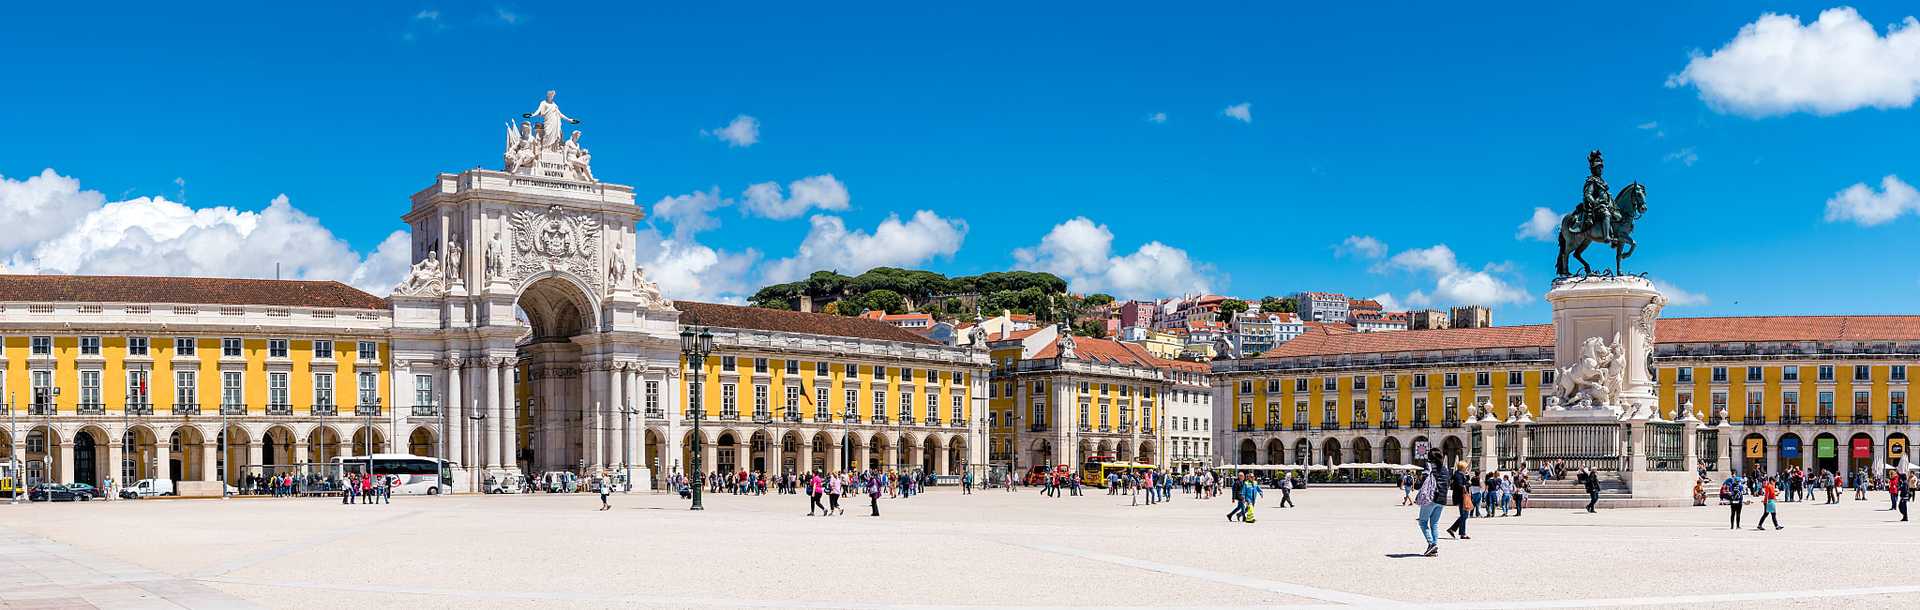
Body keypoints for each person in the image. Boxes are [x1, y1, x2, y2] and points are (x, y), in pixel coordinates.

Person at [1415, 449, 1452, 557]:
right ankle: (1434, 547)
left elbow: (1423, 481)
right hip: (1442, 500)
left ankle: (1431, 544)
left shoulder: (1430, 467)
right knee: (1434, 524)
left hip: (1430, 499)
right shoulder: (1445, 469)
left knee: (1422, 522)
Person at [1444, 460, 1472, 540]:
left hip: (1462, 497)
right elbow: (1460, 485)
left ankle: (1456, 530)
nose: (1467, 468)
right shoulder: (1458, 475)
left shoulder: (1460, 474)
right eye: (1466, 467)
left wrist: (1467, 477)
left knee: (1465, 515)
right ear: (1463, 467)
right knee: (1464, 515)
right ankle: (1460, 532)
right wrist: (1468, 484)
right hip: (1461, 497)